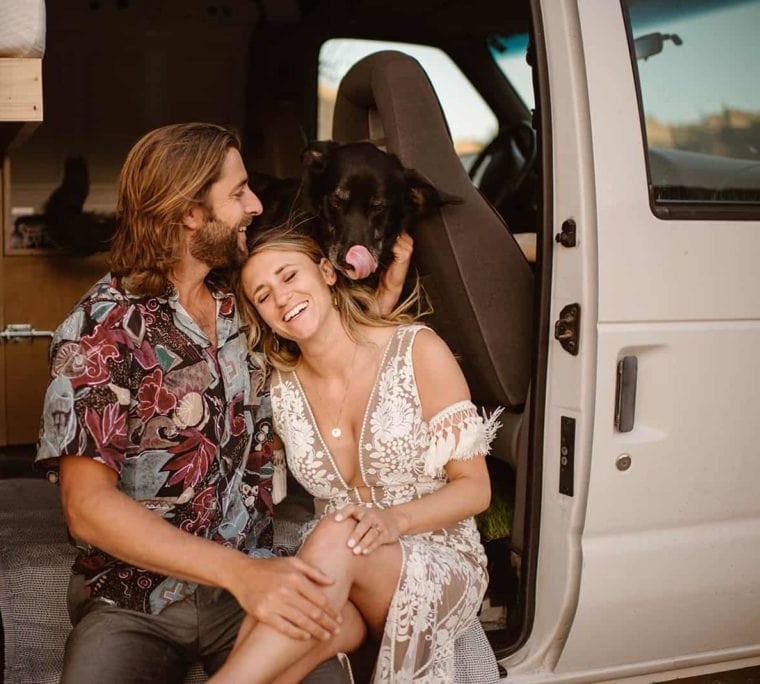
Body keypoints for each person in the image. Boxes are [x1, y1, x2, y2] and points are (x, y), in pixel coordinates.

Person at [34, 122, 413, 682]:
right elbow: (86, 507)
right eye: (238, 193)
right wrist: (241, 574)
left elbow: (336, 361)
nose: (256, 205)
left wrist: (381, 300)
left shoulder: (249, 302)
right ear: (191, 213)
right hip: (131, 600)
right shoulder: (99, 330)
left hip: (249, 589)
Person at [215, 230, 498, 682]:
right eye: (263, 296)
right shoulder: (276, 385)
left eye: (289, 276)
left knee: (334, 536)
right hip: (336, 572)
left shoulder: (417, 350)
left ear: (327, 273)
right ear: (260, 315)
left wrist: (393, 521)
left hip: (436, 555)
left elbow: (475, 489)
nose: (282, 298)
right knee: (291, 640)